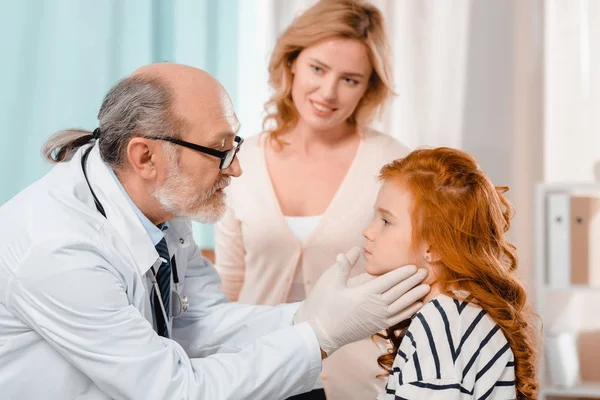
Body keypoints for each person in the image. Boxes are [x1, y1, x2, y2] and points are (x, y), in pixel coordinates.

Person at [0, 63, 431, 400]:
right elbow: (176, 390)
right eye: (220, 150)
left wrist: (306, 314)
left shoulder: (160, 198)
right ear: (145, 156)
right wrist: (320, 335)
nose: (237, 167)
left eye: (235, 145)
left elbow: (198, 323)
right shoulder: (58, 251)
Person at [214, 1, 408, 398]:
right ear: (292, 64)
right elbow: (229, 286)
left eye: (350, 79)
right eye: (318, 69)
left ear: (368, 87)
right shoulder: (242, 159)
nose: (328, 92)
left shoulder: (394, 165)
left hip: (359, 386)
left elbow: (410, 282)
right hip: (254, 377)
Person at [362, 148, 539, 399]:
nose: (368, 231)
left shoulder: (443, 323)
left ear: (434, 246)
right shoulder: (458, 312)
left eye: (386, 221)